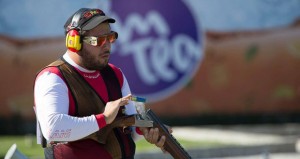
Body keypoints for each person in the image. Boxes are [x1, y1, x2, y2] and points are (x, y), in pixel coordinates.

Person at [34, 8, 168, 159]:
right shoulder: (53, 77)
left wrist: (148, 131)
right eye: (98, 40)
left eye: (110, 37)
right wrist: (103, 118)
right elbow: (53, 129)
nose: (107, 46)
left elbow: (131, 122)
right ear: (74, 42)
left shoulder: (115, 74)